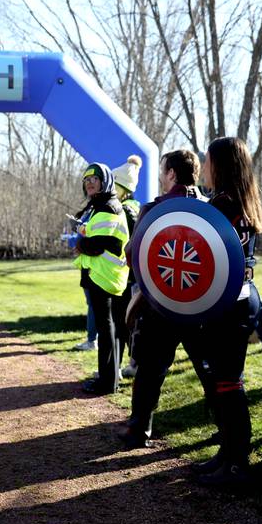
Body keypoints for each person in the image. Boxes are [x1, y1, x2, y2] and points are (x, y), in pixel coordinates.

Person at [119, 149, 209, 448]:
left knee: (150, 369)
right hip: (201, 303)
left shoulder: (155, 208)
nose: (160, 175)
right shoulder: (210, 208)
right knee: (209, 369)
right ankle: (223, 429)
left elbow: (134, 255)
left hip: (161, 304)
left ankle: (138, 430)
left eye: (162, 170)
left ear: (171, 174)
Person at [192, 137, 262, 485]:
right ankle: (228, 453)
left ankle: (236, 463)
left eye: (207, 161)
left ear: (220, 165)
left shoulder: (222, 205)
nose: (204, 167)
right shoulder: (238, 201)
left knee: (227, 385)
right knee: (226, 382)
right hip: (238, 299)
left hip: (229, 304)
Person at [74, 163, 129, 395]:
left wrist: (80, 243)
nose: (89, 182)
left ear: (105, 181)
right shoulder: (101, 206)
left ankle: (107, 382)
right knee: (108, 328)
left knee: (105, 329)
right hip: (102, 275)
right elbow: (99, 238)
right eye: (86, 179)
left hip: (103, 276)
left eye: (93, 178)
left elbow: (96, 245)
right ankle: (108, 379)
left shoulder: (107, 206)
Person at [111, 155, 142, 377]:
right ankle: (131, 364)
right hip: (128, 276)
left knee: (126, 323)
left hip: (128, 277)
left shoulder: (128, 211)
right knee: (128, 323)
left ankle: (130, 365)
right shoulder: (128, 208)